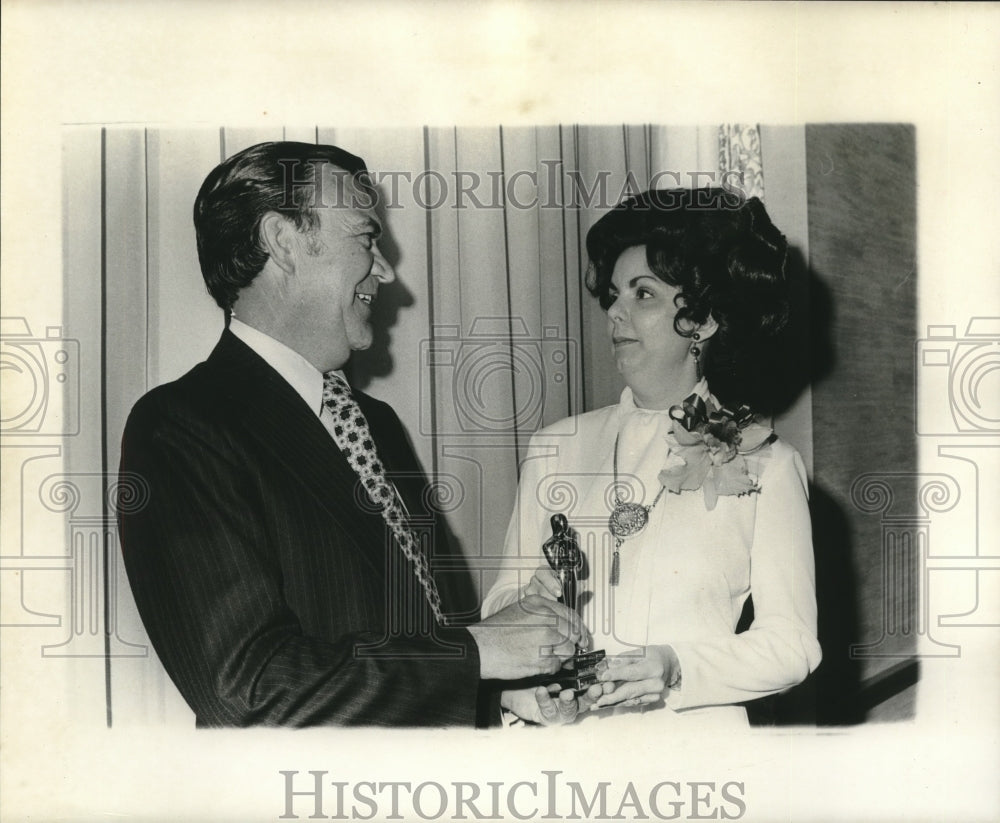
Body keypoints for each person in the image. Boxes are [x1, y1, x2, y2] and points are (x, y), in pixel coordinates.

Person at [117, 141, 594, 727]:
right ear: (283, 242)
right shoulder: (181, 427)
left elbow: (408, 638)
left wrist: (497, 687)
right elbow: (246, 689)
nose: (387, 271)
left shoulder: (377, 426)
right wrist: (481, 650)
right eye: (366, 239)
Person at [482, 188, 822, 727]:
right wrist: (528, 602)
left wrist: (676, 668)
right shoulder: (554, 445)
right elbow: (499, 601)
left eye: (643, 295)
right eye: (614, 294)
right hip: (556, 756)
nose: (614, 312)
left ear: (704, 321)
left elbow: (793, 645)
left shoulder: (767, 465)